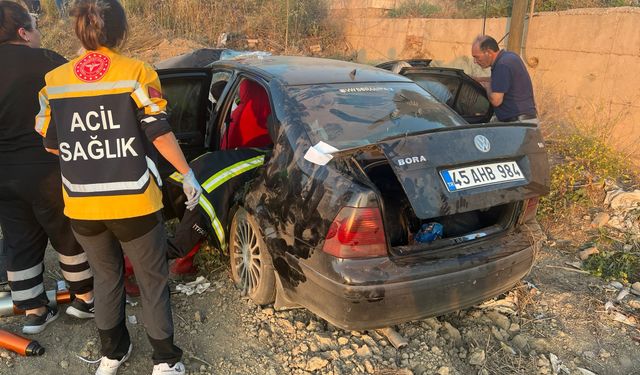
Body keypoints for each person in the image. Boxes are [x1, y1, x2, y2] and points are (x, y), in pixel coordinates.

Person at [35, 1, 201, 374]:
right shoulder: (137, 73)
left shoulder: (55, 82)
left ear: (79, 30)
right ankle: (164, 362)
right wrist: (187, 174)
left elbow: (50, 142)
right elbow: (158, 133)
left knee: (106, 276)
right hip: (134, 202)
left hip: (82, 205)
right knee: (152, 278)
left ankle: (112, 354)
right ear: (121, 31)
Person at [0, 0, 95, 334]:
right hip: (48, 168)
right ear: (24, 33)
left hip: (5, 174)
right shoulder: (48, 62)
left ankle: (34, 312)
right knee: (68, 233)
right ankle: (85, 298)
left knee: (19, 239)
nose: (39, 33)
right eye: (35, 27)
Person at [471, 35, 538, 124]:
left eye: (477, 57)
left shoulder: (501, 65)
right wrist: (478, 79)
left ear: (489, 53)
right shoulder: (509, 57)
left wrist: (487, 86)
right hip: (526, 121)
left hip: (517, 124)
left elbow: (496, 100)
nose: (475, 61)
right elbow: (500, 81)